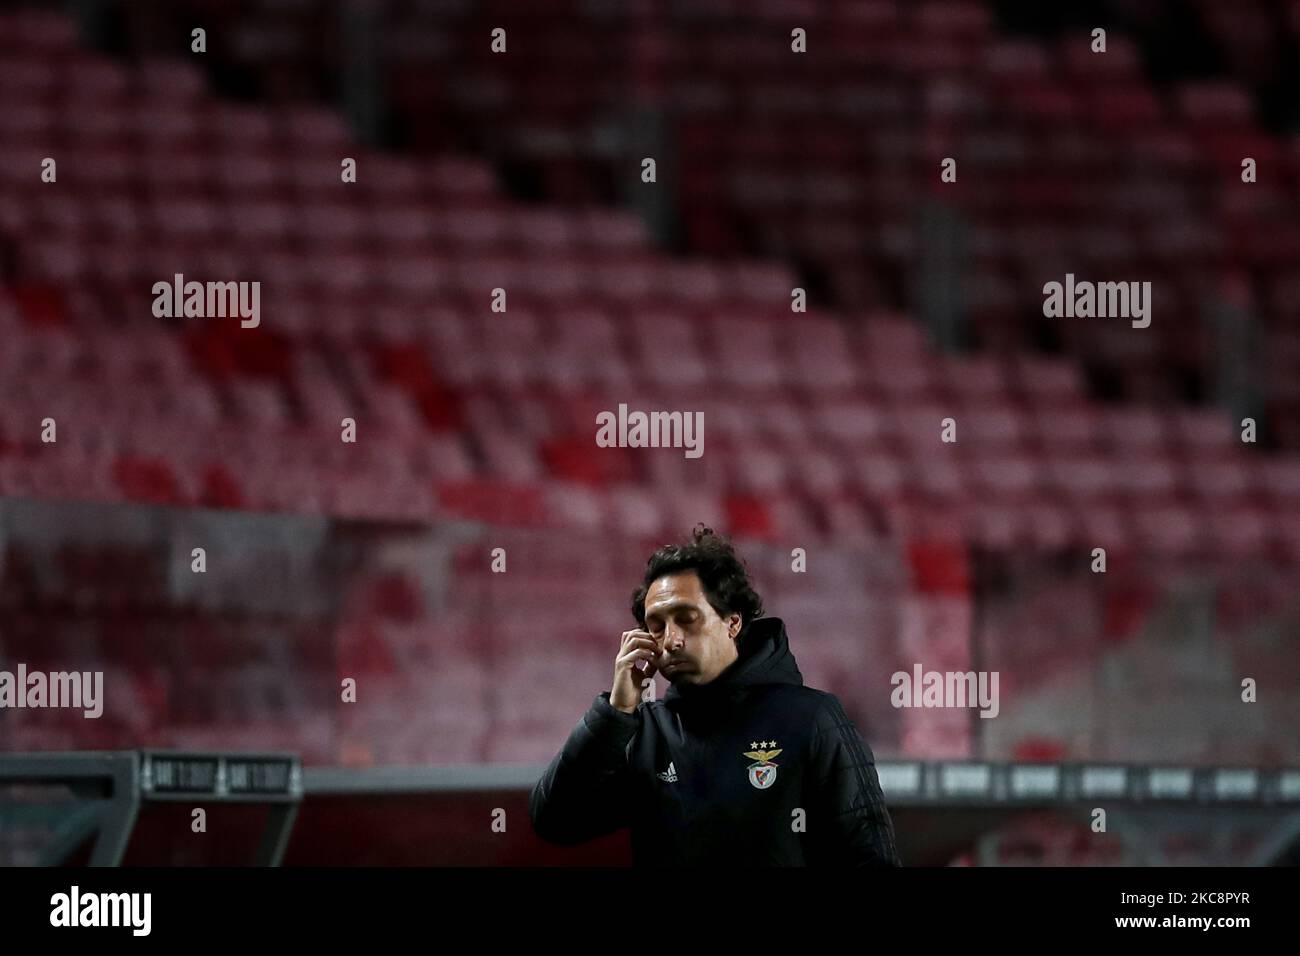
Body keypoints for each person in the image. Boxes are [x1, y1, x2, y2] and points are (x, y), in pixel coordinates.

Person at [529, 525, 900, 865]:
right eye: (656, 626)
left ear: (732, 622)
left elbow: (870, 857)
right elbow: (555, 821)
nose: (671, 639)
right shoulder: (643, 734)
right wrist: (615, 711)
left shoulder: (812, 719)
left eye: (687, 618)